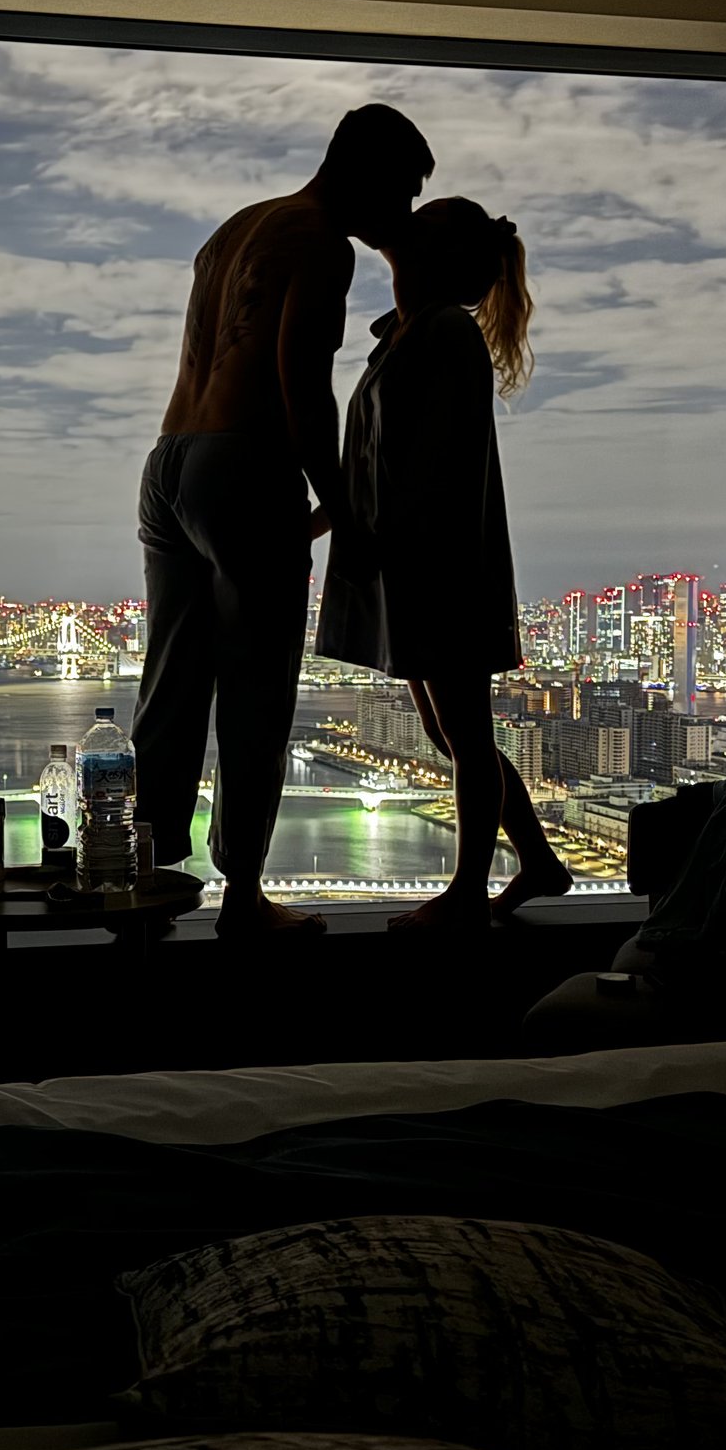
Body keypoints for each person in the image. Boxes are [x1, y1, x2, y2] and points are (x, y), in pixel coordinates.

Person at [132, 103, 434, 937]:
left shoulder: (235, 230)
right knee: (257, 689)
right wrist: (346, 510)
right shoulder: (324, 244)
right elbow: (303, 388)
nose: (404, 214)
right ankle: (243, 897)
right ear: (367, 172)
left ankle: (142, 879)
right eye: (403, 192)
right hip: (244, 462)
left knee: (170, 683)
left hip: (169, 459)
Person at [315, 197, 573, 930]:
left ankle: (466, 895)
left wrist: (374, 537)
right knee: (451, 734)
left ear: (439, 253)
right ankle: (538, 860)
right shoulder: (403, 334)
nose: (404, 224)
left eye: (420, 223)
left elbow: (437, 463)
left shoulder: (445, 331)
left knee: (464, 734)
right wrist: (318, 527)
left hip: (440, 566)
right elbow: (369, 463)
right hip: (413, 565)